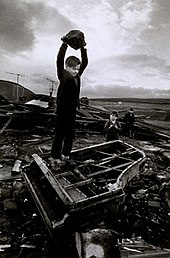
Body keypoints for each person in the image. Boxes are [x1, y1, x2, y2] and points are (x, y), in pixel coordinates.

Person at [50, 31, 88, 169]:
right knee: (59, 134)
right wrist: (64, 44)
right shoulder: (63, 75)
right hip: (62, 111)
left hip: (72, 111)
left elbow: (85, 63)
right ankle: (54, 157)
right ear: (67, 67)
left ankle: (66, 155)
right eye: (73, 69)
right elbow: (59, 60)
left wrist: (83, 47)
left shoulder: (77, 77)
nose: (76, 71)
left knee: (70, 134)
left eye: (77, 69)